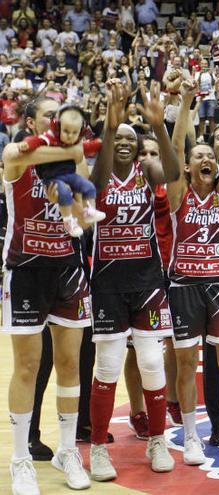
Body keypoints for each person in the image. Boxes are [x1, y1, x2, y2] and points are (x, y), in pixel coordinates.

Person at [85, 79, 180, 480]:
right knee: (106, 365)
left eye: (130, 138)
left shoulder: (147, 170)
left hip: (147, 282)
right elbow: (97, 180)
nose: (124, 142)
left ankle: (158, 439)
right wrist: (111, 123)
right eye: (118, 137)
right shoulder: (103, 172)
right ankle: (97, 447)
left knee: (152, 360)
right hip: (107, 282)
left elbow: (175, 172)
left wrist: (158, 126)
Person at [3, 97, 92, 494]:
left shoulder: (72, 160)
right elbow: (19, 156)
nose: (57, 124)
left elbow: (85, 212)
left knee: (70, 363)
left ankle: (68, 451)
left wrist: (77, 162)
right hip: (25, 270)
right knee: (27, 367)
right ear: (31, 122)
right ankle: (20, 459)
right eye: (49, 118)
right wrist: (75, 150)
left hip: (67, 268)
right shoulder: (13, 153)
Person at [167, 70, 219, 468]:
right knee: (185, 364)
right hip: (182, 285)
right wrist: (184, 103)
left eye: (209, 158)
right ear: (188, 167)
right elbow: (176, 147)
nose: (207, 160)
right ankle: (192, 438)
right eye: (199, 156)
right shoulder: (178, 193)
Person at [18, 105, 105, 237]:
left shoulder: (77, 154)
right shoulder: (18, 151)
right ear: (31, 122)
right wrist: (72, 152)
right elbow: (12, 154)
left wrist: (62, 201)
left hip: (69, 251)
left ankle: (88, 211)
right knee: (64, 190)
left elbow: (85, 224)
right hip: (25, 250)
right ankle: (68, 220)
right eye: (51, 115)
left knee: (87, 188)